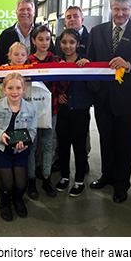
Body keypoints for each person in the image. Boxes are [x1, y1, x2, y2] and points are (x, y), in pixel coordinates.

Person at [87, 0, 131, 203]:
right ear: (110, 8)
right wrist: (86, 65)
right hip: (103, 98)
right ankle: (107, 176)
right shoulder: (98, 31)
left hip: (127, 100)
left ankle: (121, 184)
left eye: (124, 9)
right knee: (106, 140)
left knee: (125, 143)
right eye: (116, 9)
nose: (120, 13)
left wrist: (129, 65)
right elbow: (92, 59)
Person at [0, 72, 37, 221]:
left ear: (23, 89)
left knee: (21, 184)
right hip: (2, 150)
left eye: (18, 88)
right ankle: (5, 202)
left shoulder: (31, 109)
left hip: (21, 151)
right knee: (7, 183)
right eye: (11, 88)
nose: (15, 92)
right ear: (4, 89)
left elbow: (32, 131)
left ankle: (17, 198)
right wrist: (0, 134)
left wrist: (26, 141)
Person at [26, 25, 63, 200]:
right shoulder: (27, 61)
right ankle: (31, 180)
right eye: (40, 39)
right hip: (31, 110)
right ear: (33, 41)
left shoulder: (56, 60)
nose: (44, 43)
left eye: (47, 39)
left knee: (48, 145)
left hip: (51, 108)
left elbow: (62, 86)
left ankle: (46, 179)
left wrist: (65, 71)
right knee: (31, 146)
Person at [55, 29, 92, 197]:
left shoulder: (85, 62)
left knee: (79, 146)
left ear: (78, 43)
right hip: (62, 111)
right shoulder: (56, 62)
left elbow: (93, 85)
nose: (67, 46)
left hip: (80, 110)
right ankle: (64, 176)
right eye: (64, 42)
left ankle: (79, 180)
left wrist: (88, 67)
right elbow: (50, 84)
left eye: (71, 42)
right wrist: (57, 95)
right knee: (63, 145)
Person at [0, 0, 37, 64]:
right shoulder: (6, 35)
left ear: (34, 12)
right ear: (16, 12)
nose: (25, 12)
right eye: (21, 9)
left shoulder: (42, 33)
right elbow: (0, 59)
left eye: (28, 9)